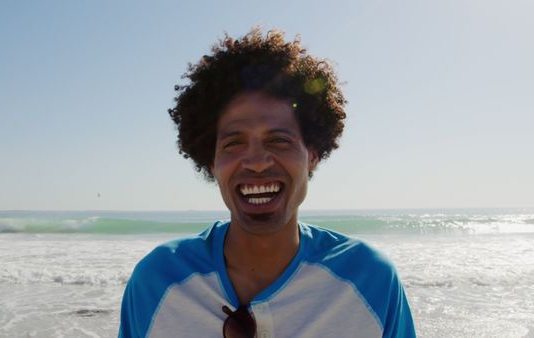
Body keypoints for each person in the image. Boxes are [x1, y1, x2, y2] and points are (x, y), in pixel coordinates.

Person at [119, 28, 416, 338]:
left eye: (279, 140)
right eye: (234, 143)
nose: (258, 162)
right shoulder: (156, 281)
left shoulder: (370, 280)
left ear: (312, 154)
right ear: (211, 161)